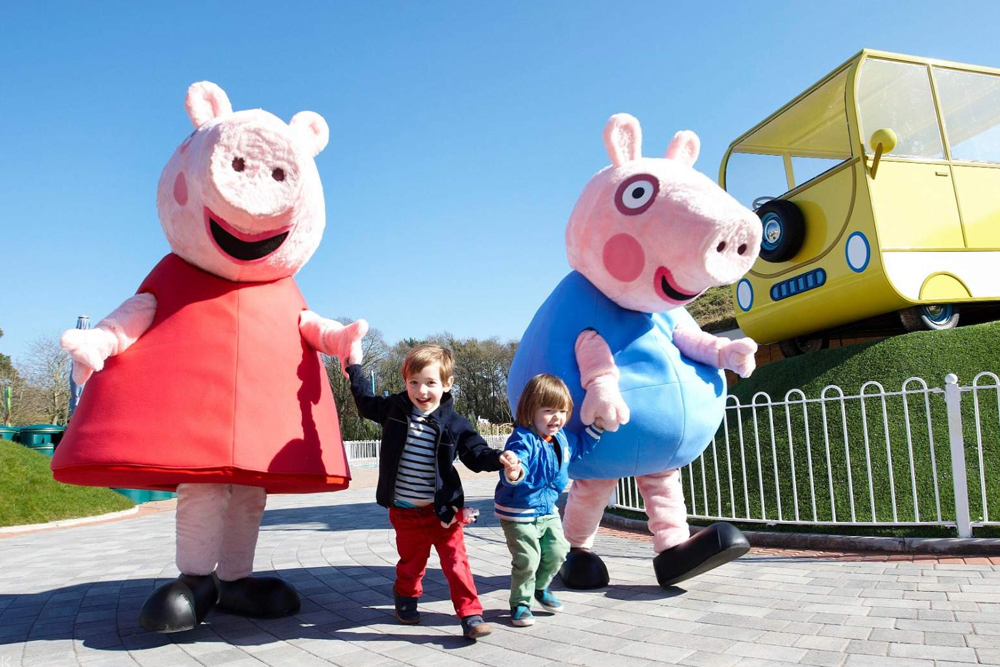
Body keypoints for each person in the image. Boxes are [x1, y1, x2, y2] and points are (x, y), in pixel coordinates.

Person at [346, 344, 519, 640]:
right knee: (412, 564)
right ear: (405, 382)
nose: (421, 391)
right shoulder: (395, 409)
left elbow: (475, 453)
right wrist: (354, 367)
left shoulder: (454, 423)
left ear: (447, 384)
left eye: (430, 383)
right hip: (404, 511)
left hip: (444, 513)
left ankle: (470, 614)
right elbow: (364, 401)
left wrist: (500, 458)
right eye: (414, 382)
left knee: (456, 563)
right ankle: (406, 596)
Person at [495, 373, 602, 627]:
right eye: (549, 410)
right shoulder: (524, 438)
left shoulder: (562, 438)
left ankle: (540, 588)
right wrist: (513, 471)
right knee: (528, 558)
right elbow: (516, 461)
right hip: (518, 511)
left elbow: (581, 446)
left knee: (558, 551)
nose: (557, 417)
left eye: (563, 411)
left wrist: (598, 426)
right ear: (531, 410)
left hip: (547, 509)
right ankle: (520, 603)